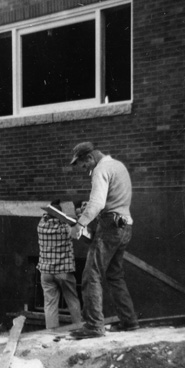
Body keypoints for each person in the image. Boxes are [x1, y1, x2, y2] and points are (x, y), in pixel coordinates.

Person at [68, 142, 138, 338]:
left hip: (109, 228)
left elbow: (98, 203)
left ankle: (93, 326)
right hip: (125, 225)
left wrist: (80, 224)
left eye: (84, 165)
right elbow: (112, 199)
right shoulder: (118, 166)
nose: (85, 170)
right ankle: (129, 321)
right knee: (115, 275)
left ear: (90, 158)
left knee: (92, 275)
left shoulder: (100, 170)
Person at [37, 200, 83, 329]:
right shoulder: (64, 227)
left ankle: (51, 332)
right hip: (63, 271)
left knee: (50, 304)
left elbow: (46, 216)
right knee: (72, 300)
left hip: (45, 272)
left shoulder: (41, 225)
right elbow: (76, 227)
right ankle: (78, 327)